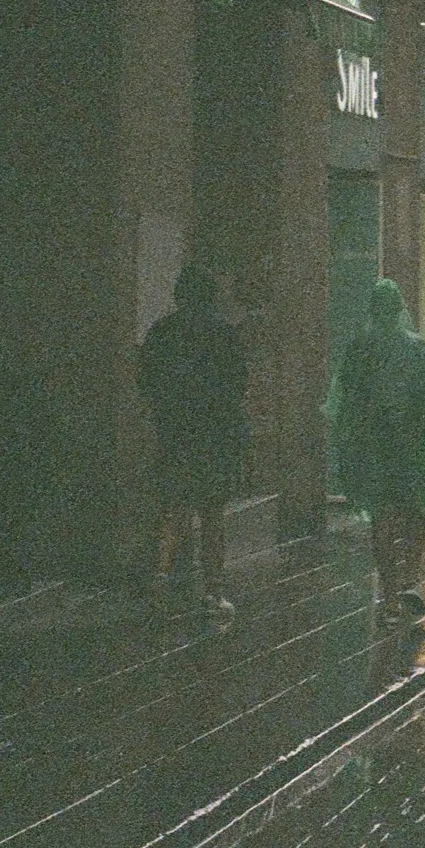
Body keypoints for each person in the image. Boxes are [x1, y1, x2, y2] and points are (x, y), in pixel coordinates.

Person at [327, 277, 425, 625]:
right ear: (399, 310)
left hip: (374, 447)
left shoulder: (358, 349)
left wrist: (348, 445)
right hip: (410, 445)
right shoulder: (417, 349)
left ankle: (389, 592)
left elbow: (345, 402)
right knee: (414, 511)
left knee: (382, 518)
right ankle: (412, 579)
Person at [139, 263, 250, 616]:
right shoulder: (224, 335)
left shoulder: (161, 333)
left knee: (175, 508)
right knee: (213, 514)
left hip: (174, 434)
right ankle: (214, 591)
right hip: (214, 436)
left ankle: (160, 577)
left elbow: (146, 380)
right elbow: (237, 385)